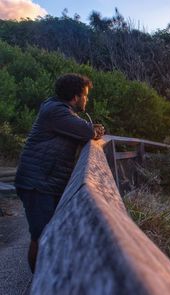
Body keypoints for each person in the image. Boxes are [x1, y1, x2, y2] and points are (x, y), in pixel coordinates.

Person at [14, 73, 105, 273]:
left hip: (45, 182)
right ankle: (38, 283)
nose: (86, 99)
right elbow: (88, 132)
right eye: (85, 95)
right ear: (75, 96)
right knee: (41, 236)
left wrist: (91, 129)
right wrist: (94, 129)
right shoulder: (56, 111)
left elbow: (83, 130)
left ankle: (46, 279)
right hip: (37, 184)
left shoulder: (59, 110)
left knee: (49, 234)